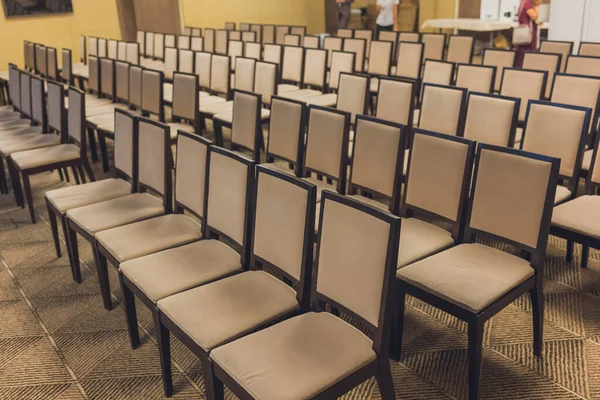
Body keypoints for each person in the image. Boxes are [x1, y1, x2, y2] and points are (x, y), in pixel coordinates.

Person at [516, 0, 542, 67]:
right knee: (526, 56)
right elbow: (534, 17)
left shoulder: (524, 3)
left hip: (525, 34)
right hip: (528, 35)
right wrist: (537, 5)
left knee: (523, 56)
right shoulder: (527, 4)